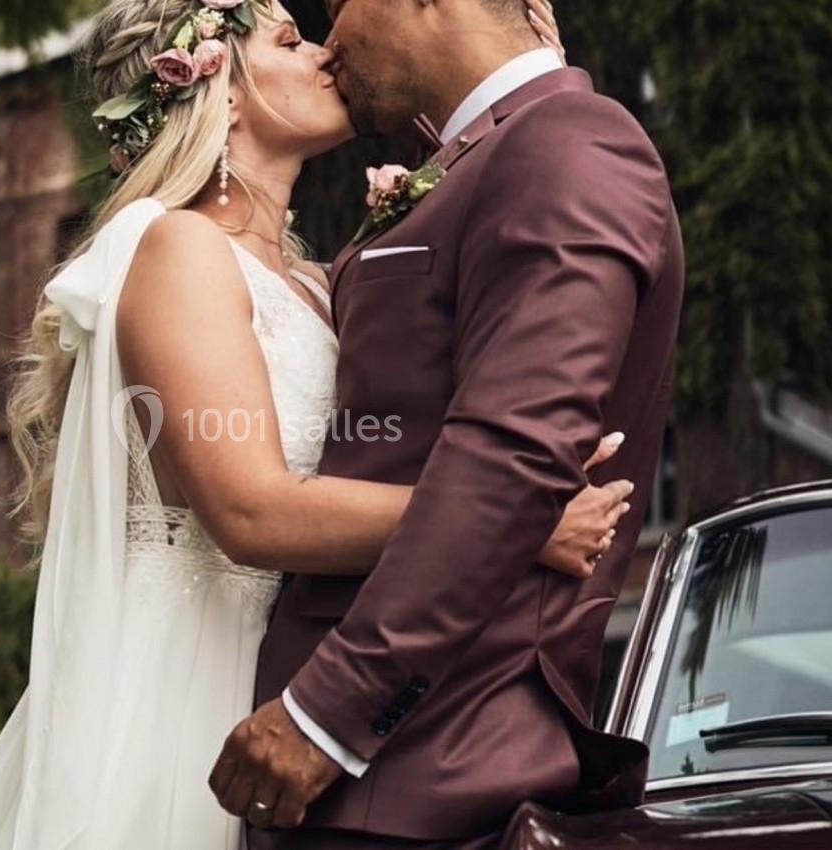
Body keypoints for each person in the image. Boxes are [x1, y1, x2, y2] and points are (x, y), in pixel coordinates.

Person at [0, 1, 621, 849]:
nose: (328, 54)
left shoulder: (319, 283)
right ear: (221, 90)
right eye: (290, 41)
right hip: (179, 700)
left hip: (284, 680)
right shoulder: (177, 249)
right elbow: (254, 511)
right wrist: (518, 521)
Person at [209, 1, 686, 848]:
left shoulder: (570, 141)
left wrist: (326, 715)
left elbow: (514, 451)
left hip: (426, 776)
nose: (333, 37)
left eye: (340, 4)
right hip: (357, 790)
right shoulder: (486, 157)